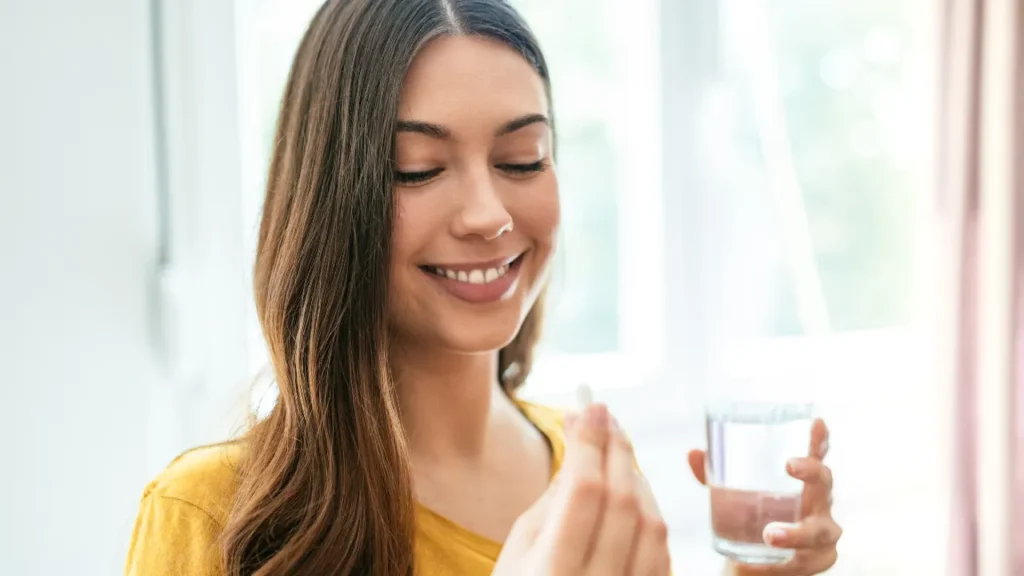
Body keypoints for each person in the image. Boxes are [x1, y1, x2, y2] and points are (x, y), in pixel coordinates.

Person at [124, 0, 841, 574]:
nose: (488, 216)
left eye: (523, 160)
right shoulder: (212, 518)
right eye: (419, 168)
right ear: (330, 199)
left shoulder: (591, 474)